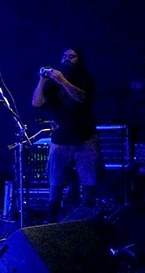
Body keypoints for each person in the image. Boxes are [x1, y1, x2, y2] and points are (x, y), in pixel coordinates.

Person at [31, 48, 97, 222]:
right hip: (60, 139)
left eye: (72, 57)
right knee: (56, 183)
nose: (67, 59)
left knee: (88, 182)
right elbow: (36, 103)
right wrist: (42, 80)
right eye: (64, 56)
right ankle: (53, 220)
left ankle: (87, 220)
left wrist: (64, 81)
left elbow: (82, 98)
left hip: (84, 138)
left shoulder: (85, 79)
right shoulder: (53, 84)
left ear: (79, 60)